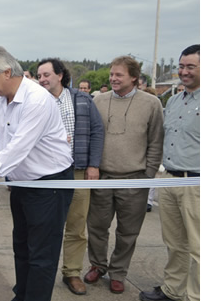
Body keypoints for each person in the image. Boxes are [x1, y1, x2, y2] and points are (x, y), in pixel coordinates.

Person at [0, 46, 74, 301]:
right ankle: (22, 295)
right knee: (22, 246)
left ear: (7, 72)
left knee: (42, 253)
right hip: (23, 182)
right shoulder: (1, 100)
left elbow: (19, 146)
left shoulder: (37, 99)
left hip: (49, 184)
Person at [84, 56, 164, 294]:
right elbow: (91, 136)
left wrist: (147, 174)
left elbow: (156, 142)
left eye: (119, 75)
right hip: (103, 177)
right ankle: (98, 265)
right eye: (111, 74)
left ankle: (118, 272)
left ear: (134, 77)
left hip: (135, 179)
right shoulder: (98, 100)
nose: (113, 78)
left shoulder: (152, 104)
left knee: (128, 231)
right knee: (97, 227)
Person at [37, 58, 104, 295]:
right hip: (45, 175)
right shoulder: (36, 102)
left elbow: (97, 131)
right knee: (46, 227)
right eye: (39, 76)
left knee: (76, 227)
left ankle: (72, 273)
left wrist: (93, 165)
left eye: (46, 75)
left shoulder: (82, 99)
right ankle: (42, 273)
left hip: (76, 172)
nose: (42, 79)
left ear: (60, 76)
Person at [139, 44, 200, 301]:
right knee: (174, 242)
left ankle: (195, 295)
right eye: (181, 66)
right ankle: (173, 290)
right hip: (170, 179)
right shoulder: (173, 101)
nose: (184, 72)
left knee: (197, 246)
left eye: (190, 67)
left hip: (196, 183)